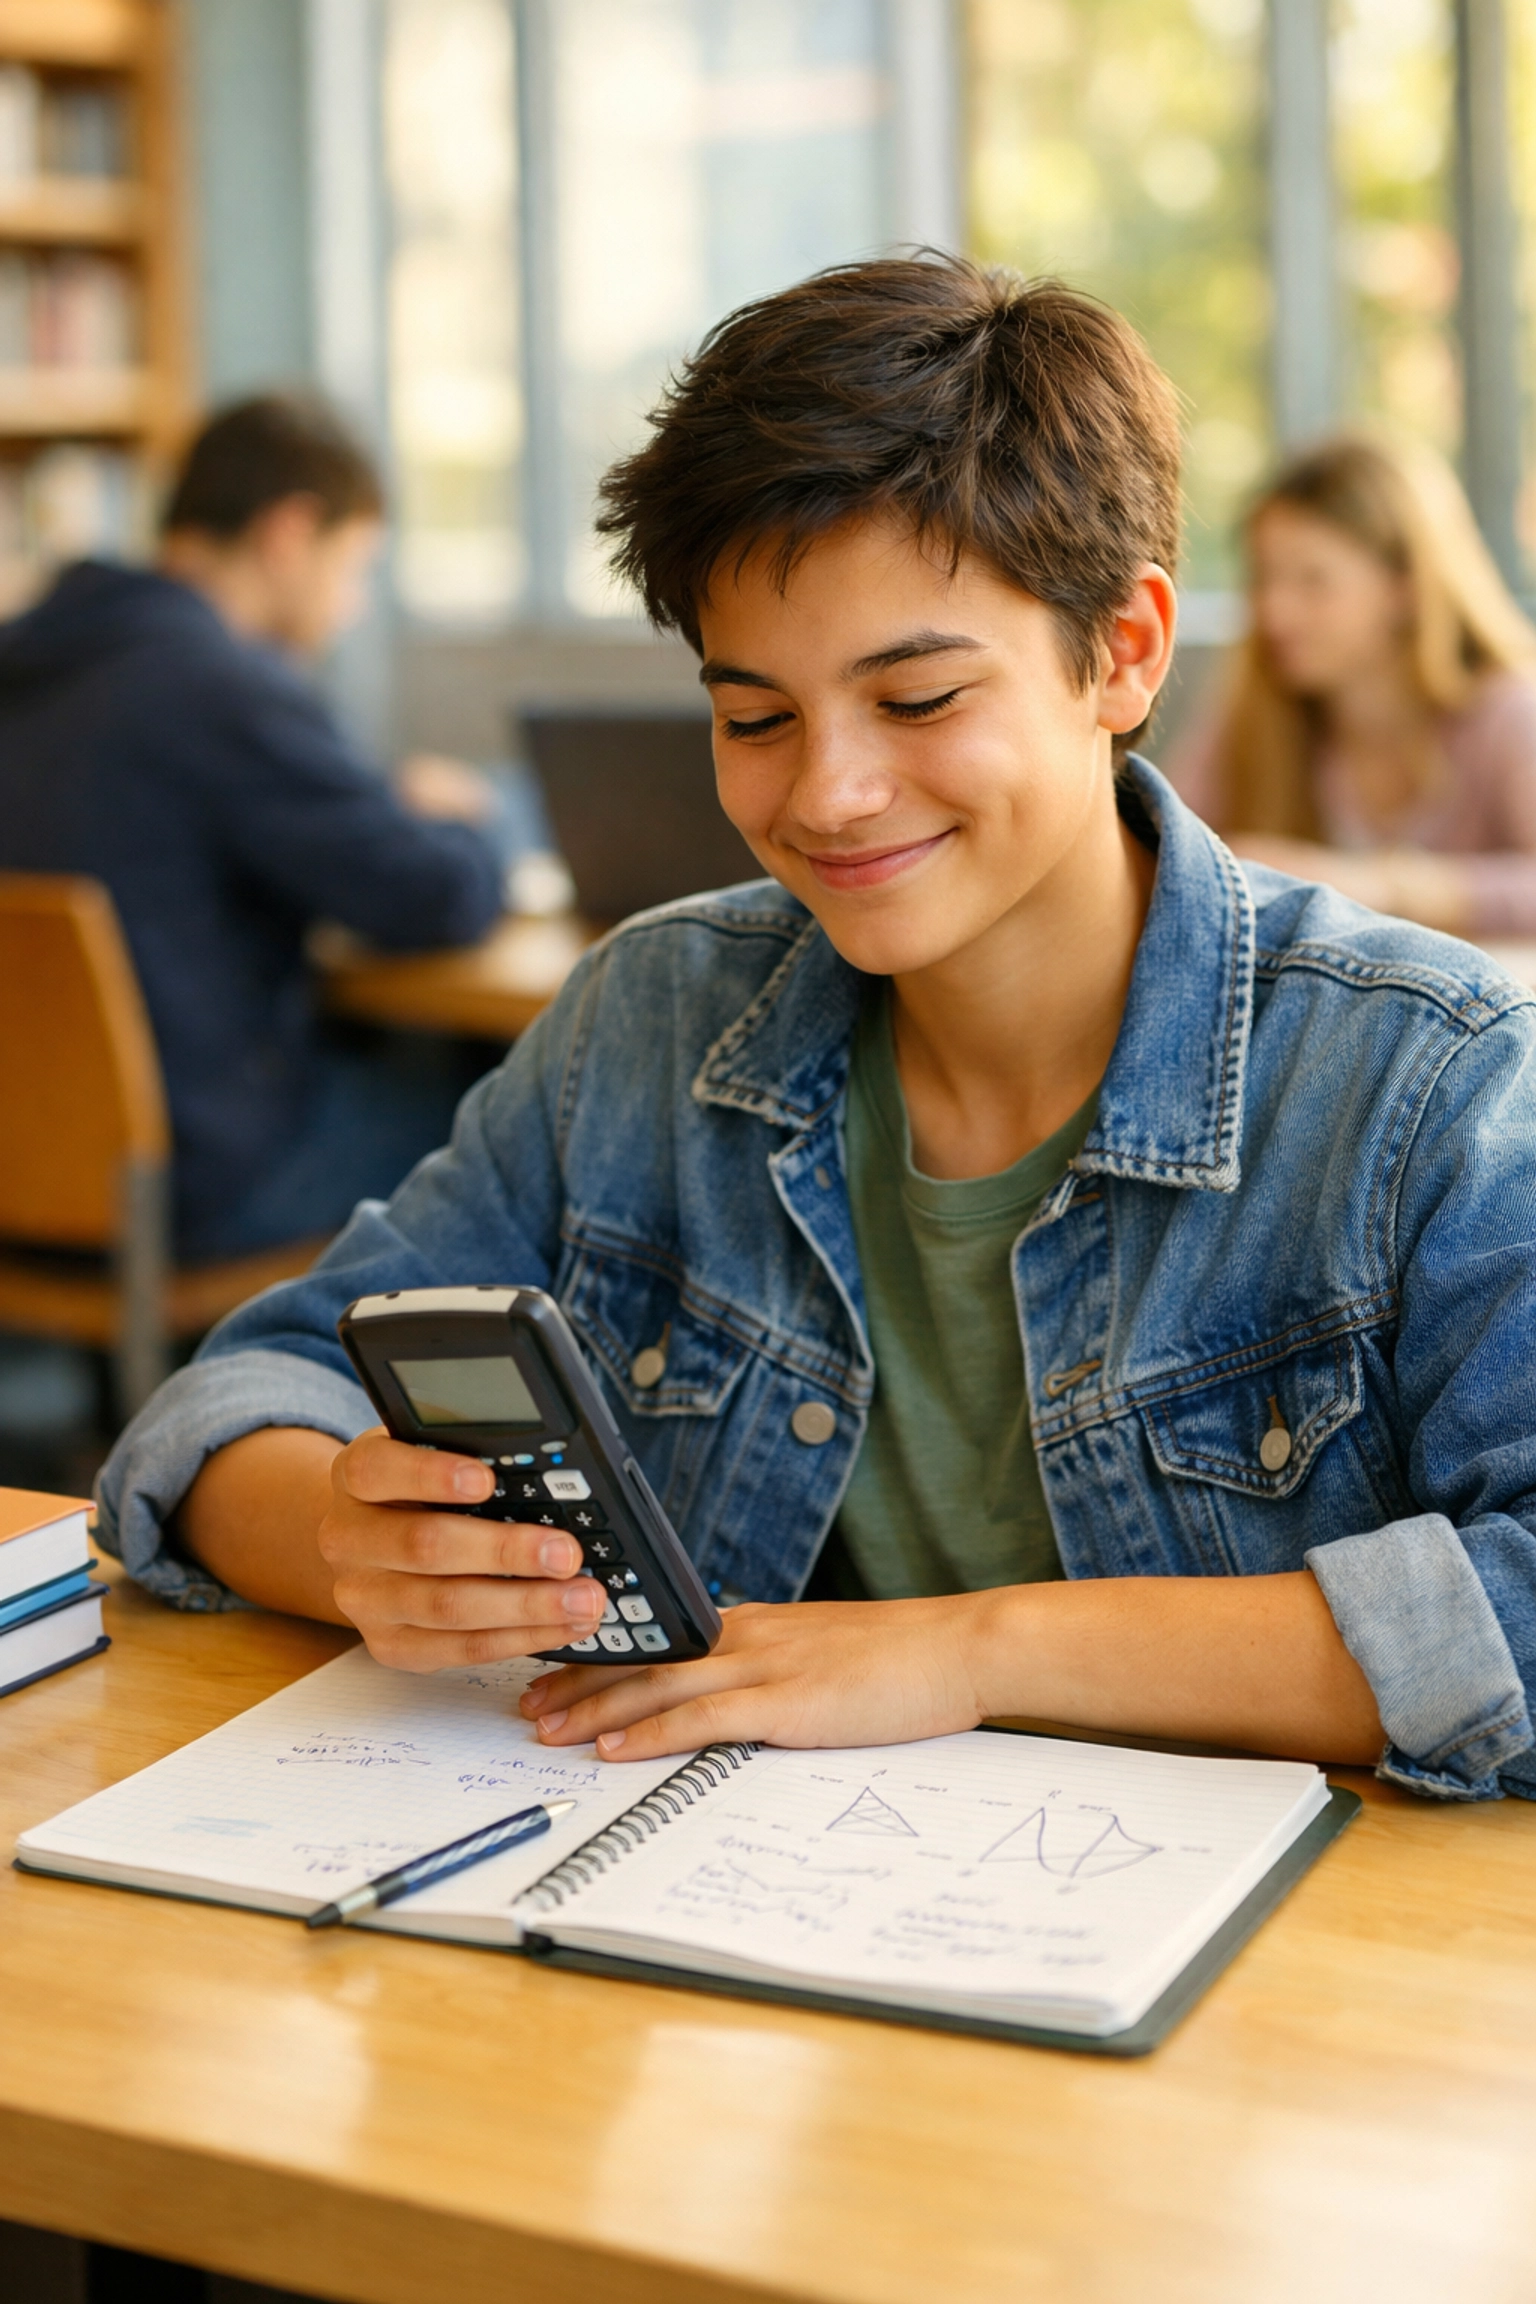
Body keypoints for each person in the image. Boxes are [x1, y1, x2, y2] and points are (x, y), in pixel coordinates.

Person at [98, 260, 1536, 1805]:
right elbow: (236, 1402)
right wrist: (346, 1537)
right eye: (755, 718)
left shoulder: (1433, 1082)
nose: (825, 796)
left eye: (916, 701)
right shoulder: (649, 1020)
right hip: (746, 1939)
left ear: (1123, 653)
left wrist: (966, 1653)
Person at [0, 394, 509, 1262]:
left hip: (31, 1172)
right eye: (352, 568)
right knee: (506, 1112)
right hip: (192, 1178)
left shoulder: (39, 656)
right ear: (288, 533)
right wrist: (473, 824)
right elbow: (437, 897)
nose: (349, 607)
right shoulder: (211, 683)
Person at [1170, 432, 1536, 936]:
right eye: (1264, 578)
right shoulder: (1255, 714)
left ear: (1404, 585)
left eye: (1312, 580)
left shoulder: (1510, 714)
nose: (1275, 611)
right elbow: (1167, 855)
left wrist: (1383, 886)